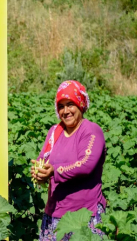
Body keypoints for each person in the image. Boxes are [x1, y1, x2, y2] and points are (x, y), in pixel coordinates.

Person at [31, 80, 107, 240]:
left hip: (83, 217)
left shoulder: (91, 130)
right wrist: (39, 172)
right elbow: (43, 160)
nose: (65, 111)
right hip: (53, 215)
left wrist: (54, 170)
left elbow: (85, 164)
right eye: (61, 106)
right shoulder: (54, 132)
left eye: (70, 104)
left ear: (81, 105)